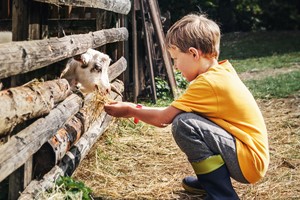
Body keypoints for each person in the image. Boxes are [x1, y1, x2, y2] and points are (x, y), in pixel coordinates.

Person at [104, 13, 269, 200]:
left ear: (193, 54)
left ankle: (222, 194)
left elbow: (164, 119)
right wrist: (136, 108)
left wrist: (129, 110)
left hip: (248, 161)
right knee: (187, 119)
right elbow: (171, 111)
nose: (175, 66)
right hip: (249, 156)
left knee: (185, 125)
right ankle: (211, 181)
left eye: (175, 59)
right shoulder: (220, 72)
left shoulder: (207, 83)